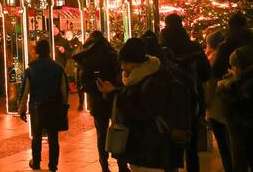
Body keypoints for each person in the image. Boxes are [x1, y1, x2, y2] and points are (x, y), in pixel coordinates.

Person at [96, 37, 184, 171]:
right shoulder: (140, 77)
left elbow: (142, 112)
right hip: (142, 150)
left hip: (151, 151)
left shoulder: (153, 82)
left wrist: (114, 95)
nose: (122, 67)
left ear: (136, 62)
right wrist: (113, 92)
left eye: (125, 63)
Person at [160, 14, 211, 172]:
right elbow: (206, 73)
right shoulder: (193, 47)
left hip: (167, 101)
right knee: (192, 146)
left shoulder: (161, 49)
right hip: (191, 98)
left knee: (169, 144)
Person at [73, 30, 129, 172]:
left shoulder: (84, 57)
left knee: (101, 134)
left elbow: (81, 81)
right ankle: (122, 164)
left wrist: (93, 89)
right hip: (113, 98)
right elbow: (120, 76)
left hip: (96, 100)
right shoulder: (111, 54)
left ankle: (104, 165)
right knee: (118, 129)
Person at [19, 39, 69, 171]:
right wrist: (64, 106)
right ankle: (53, 165)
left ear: (37, 52)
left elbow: (25, 91)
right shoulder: (58, 68)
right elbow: (64, 91)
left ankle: (36, 162)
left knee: (37, 136)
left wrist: (21, 108)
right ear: (49, 50)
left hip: (37, 107)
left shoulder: (31, 69)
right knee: (53, 138)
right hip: (54, 107)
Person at [218, 46, 253, 172]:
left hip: (241, 122)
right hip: (243, 121)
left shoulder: (244, 82)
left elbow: (236, 102)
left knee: (240, 151)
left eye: (233, 66)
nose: (231, 69)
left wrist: (227, 87)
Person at [205, 30, 233, 172]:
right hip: (227, 104)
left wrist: (206, 102)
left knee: (224, 142)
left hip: (216, 107)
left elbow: (211, 83)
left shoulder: (213, 58)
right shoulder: (229, 56)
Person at [214, 13, 253, 81]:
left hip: (233, 83)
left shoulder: (225, 46)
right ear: (245, 25)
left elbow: (217, 70)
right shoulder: (250, 41)